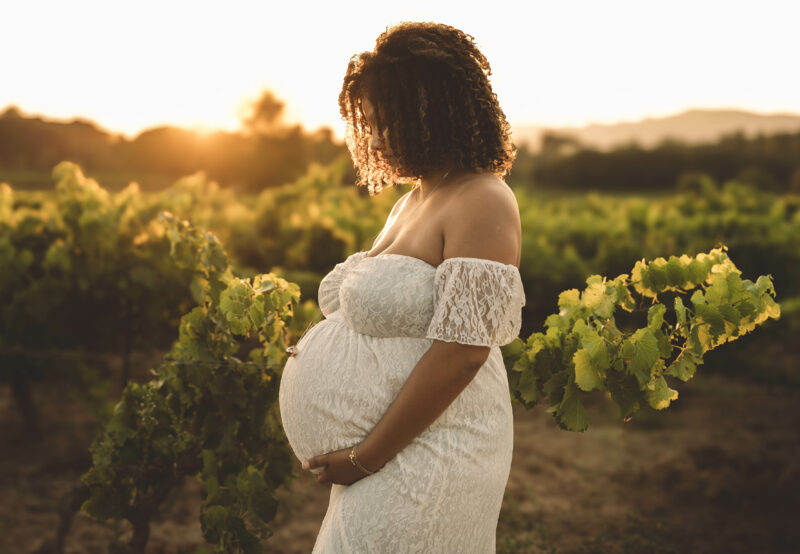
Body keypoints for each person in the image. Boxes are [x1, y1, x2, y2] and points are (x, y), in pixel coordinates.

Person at [278, 21, 526, 553]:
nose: (377, 138)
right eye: (369, 123)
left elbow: (463, 351)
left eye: (391, 122)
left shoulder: (482, 198)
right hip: (388, 452)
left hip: (432, 453)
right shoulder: (412, 199)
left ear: (437, 114)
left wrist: (365, 456)